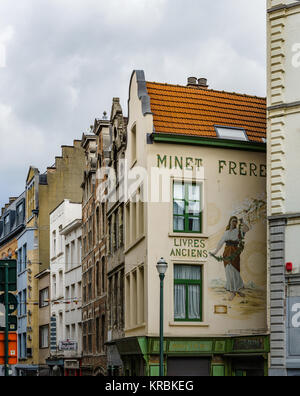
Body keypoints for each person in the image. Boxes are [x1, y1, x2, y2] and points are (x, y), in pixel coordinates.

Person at [211, 216, 249, 301]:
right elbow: (221, 242)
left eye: (235, 221)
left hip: (234, 253)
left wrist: (242, 222)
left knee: (235, 271)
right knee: (228, 271)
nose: (234, 223)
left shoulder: (238, 231)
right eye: (233, 221)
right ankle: (233, 291)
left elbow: (247, 229)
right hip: (227, 253)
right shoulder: (226, 233)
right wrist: (215, 252)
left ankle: (237, 290)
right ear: (230, 222)